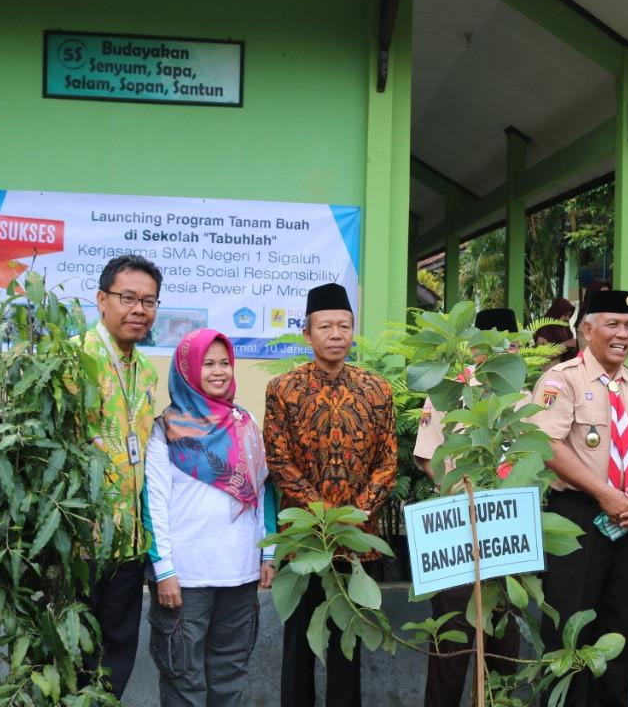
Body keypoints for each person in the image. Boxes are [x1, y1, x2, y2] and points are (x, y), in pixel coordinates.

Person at [528, 289, 628, 706]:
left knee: (620, 629)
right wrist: (604, 493)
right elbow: (548, 445)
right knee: (569, 628)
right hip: (578, 517)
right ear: (587, 329)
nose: (623, 334)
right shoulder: (561, 379)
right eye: (613, 324)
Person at [263, 282, 397, 707]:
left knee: (348, 644)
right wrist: (321, 516)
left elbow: (388, 462)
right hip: (304, 541)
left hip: (359, 542)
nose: (336, 334)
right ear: (307, 333)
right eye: (326, 326)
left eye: (344, 325)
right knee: (299, 643)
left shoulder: (377, 390)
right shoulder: (283, 390)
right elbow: (278, 460)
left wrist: (354, 517)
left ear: (353, 331)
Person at [145, 328, 277, 706]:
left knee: (230, 673)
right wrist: (164, 569)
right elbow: (153, 503)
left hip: (240, 572)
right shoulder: (165, 429)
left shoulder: (244, 422)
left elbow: (263, 489)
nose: (218, 371)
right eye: (208, 363)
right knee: (183, 678)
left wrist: (268, 554)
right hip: (186, 578)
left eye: (224, 363)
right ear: (187, 369)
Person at [414, 307, 523, 707]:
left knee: (504, 643)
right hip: (456, 530)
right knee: (452, 648)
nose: (497, 351)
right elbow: (427, 458)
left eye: (507, 344)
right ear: (474, 345)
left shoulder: (526, 397)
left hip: (509, 536)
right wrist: (462, 495)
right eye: (488, 344)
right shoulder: (448, 389)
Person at [79, 254, 163, 697]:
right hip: (79, 543)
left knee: (117, 657)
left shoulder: (146, 372)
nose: (138, 309)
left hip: (129, 547)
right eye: (127, 297)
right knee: (74, 659)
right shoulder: (72, 361)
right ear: (101, 299)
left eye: (148, 301)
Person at [535, 298, 578, 364]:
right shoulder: (544, 330)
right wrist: (566, 345)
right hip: (549, 370)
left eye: (569, 316)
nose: (567, 318)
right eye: (565, 315)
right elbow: (542, 356)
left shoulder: (565, 328)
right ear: (557, 312)